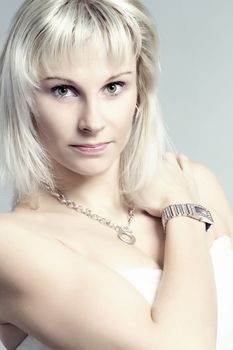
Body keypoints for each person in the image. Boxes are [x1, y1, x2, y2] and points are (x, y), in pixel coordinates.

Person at [0, 0, 232, 349]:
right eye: (63, 90)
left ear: (140, 89)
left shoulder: (198, 180)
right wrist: (181, 208)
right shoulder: (11, 243)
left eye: (113, 87)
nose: (92, 121)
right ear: (25, 98)